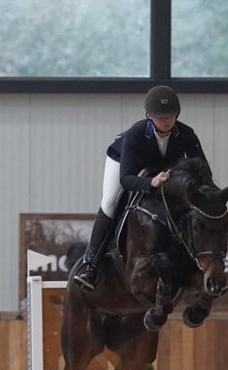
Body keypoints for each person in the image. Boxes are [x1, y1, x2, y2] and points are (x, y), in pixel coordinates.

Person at [73, 85, 210, 291]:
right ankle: (90, 264)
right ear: (149, 115)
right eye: (161, 116)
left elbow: (203, 171)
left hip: (160, 168)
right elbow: (126, 179)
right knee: (110, 202)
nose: (167, 120)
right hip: (124, 163)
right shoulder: (136, 134)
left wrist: (209, 196)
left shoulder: (187, 134)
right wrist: (149, 183)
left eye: (171, 115)